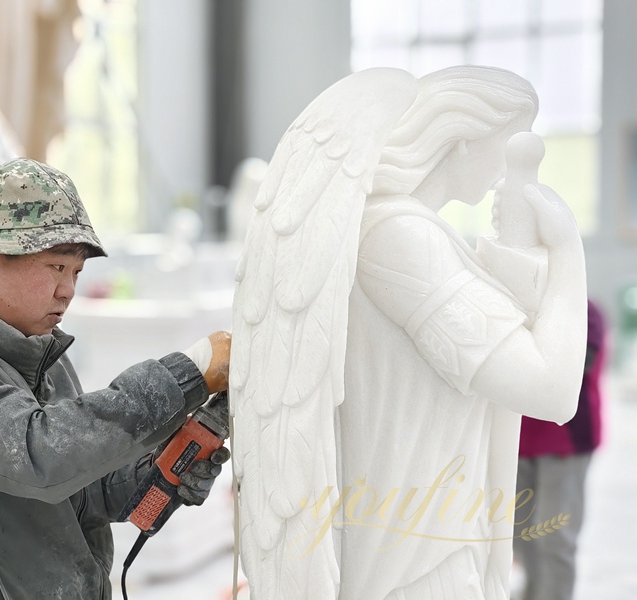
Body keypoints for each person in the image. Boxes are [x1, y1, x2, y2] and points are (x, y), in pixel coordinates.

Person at [231, 66, 587, 600]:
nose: (503, 171)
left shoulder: (393, 231)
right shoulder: (402, 239)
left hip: (419, 539)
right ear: (463, 140)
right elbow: (550, 390)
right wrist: (567, 252)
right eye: (505, 146)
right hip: (417, 561)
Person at [0, 157, 232, 599]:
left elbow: (84, 493)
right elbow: (40, 457)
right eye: (55, 267)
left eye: (76, 272)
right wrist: (189, 372)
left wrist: (161, 468)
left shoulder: (40, 357)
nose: (68, 289)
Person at [513, 299, 606, 600]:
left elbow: (580, 364)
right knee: (521, 533)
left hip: (564, 438)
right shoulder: (515, 303)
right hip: (521, 439)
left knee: (554, 536)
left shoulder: (583, 307)